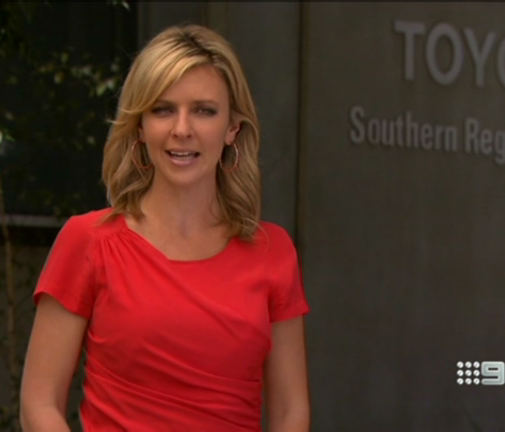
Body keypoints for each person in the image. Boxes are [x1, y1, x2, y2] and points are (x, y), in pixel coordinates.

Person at [19, 24, 310, 432]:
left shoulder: (273, 250)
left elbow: (290, 412)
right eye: (163, 109)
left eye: (204, 110)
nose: (182, 129)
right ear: (139, 126)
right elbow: (39, 404)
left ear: (232, 128)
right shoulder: (88, 241)